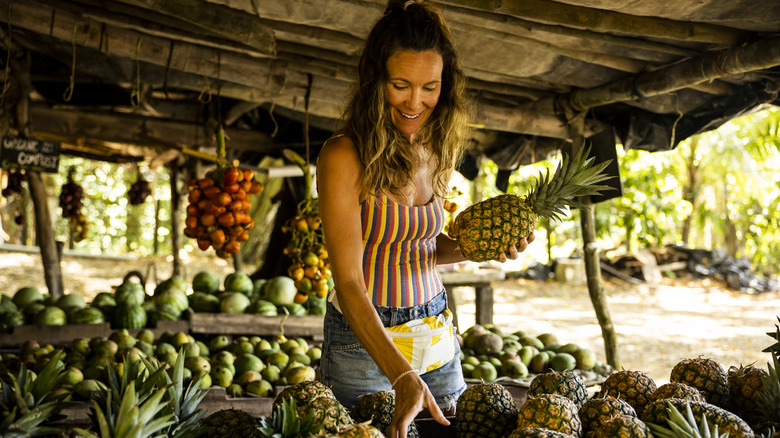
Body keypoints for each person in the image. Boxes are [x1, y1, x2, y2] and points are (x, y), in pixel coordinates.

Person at [316, 1, 534, 437]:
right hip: (365, 343)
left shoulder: (437, 147)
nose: (416, 102)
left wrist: (481, 247)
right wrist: (400, 376)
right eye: (400, 85)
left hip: (435, 327)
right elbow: (349, 282)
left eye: (430, 87)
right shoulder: (343, 155)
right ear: (375, 79)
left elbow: (422, 248)